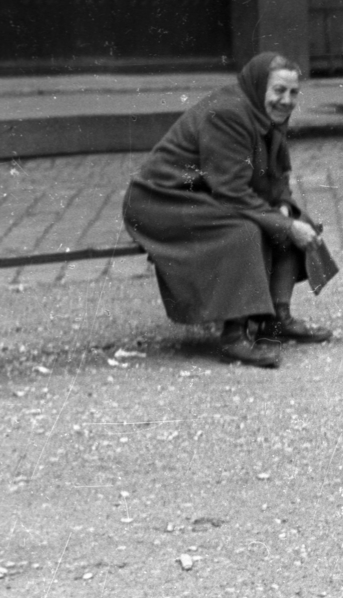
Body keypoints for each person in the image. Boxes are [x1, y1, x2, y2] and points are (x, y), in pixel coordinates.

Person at [121, 52, 331, 368]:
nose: (286, 101)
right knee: (244, 230)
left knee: (296, 218)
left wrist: (285, 208)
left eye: (293, 92)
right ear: (259, 86)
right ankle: (234, 336)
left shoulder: (266, 114)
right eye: (279, 91)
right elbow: (232, 192)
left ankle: (276, 319)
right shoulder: (229, 114)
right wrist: (282, 225)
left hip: (204, 195)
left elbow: (277, 177)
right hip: (162, 201)